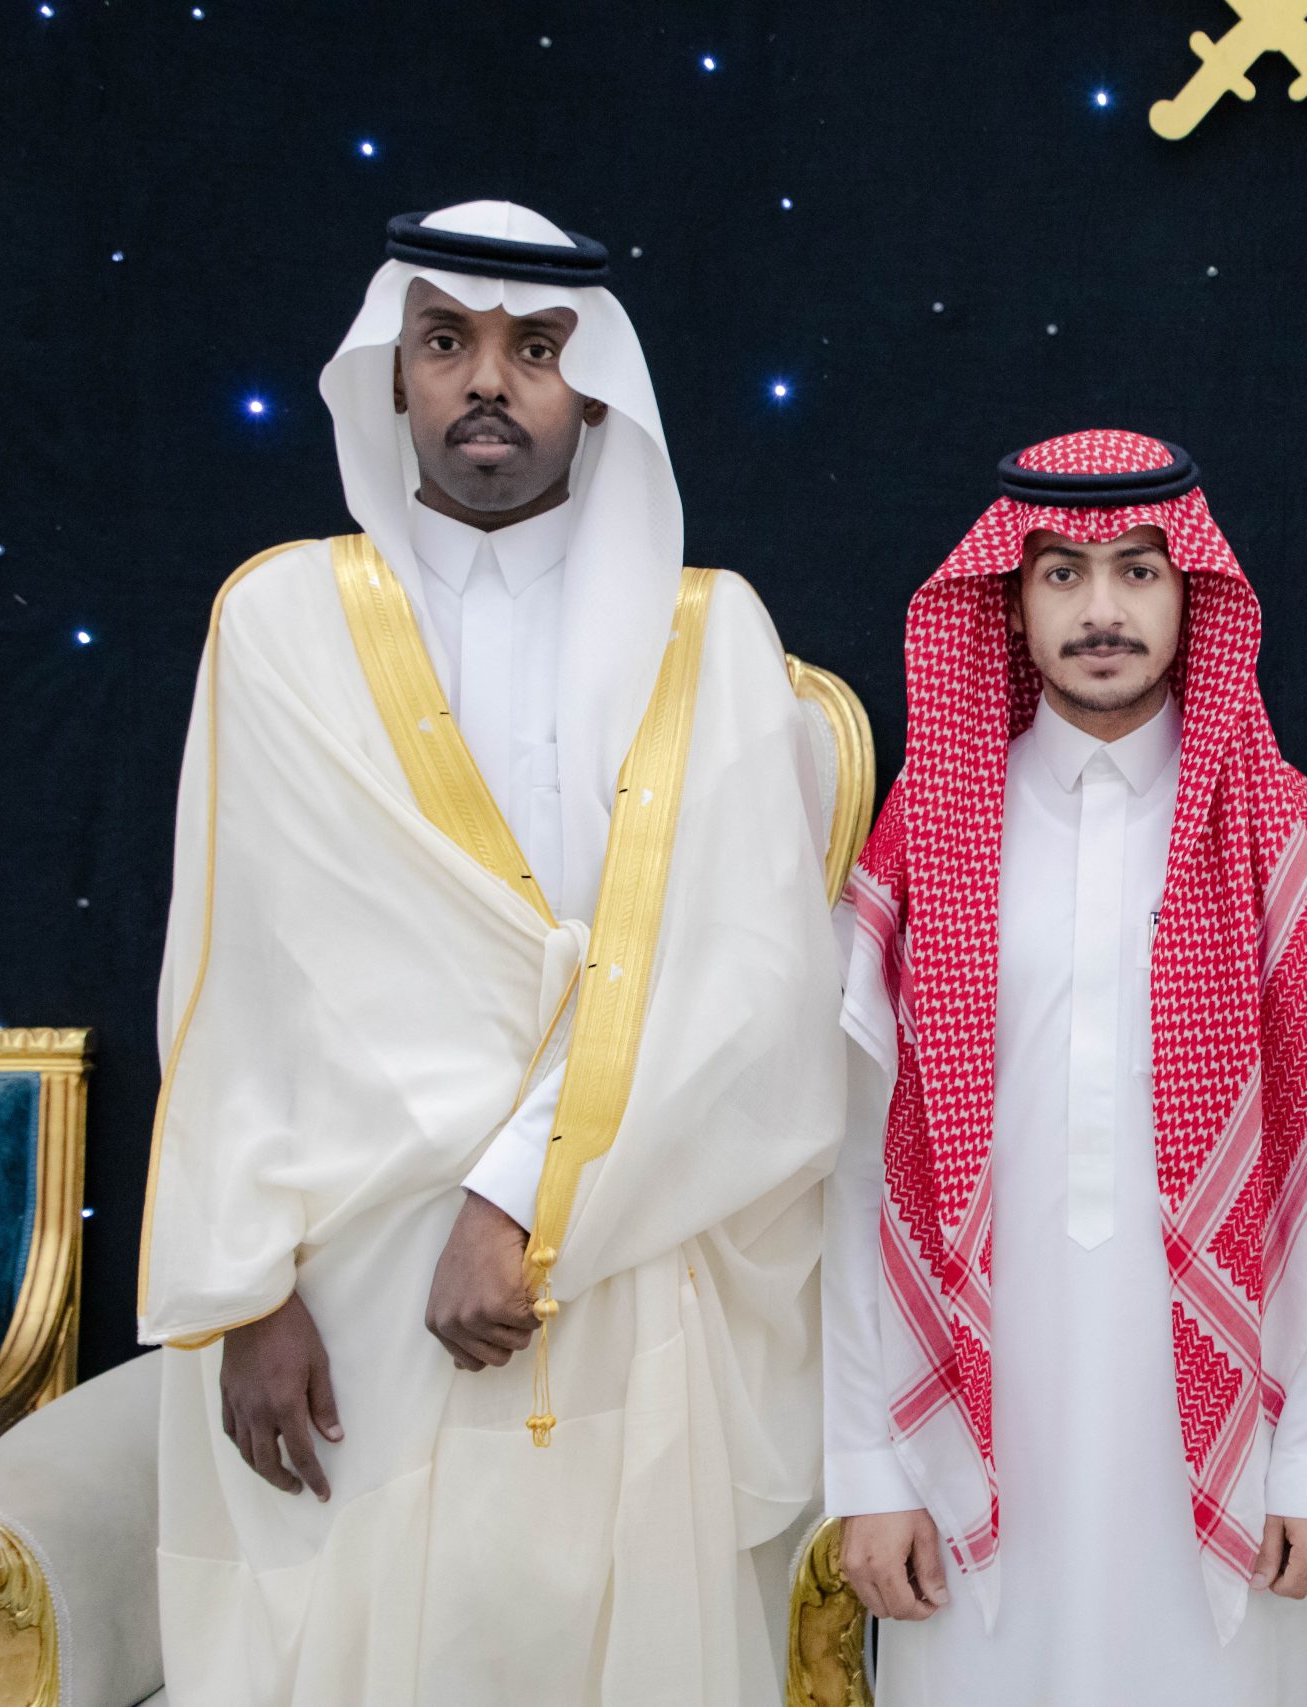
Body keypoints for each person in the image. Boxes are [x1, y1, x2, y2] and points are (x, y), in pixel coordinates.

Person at [137, 201, 846, 1705]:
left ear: (596, 391)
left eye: (536, 349)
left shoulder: (708, 636)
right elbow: (227, 978)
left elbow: (745, 978)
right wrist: (244, 1293)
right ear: (389, 374)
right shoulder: (277, 621)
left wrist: (522, 1197)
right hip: (341, 1284)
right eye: (446, 341)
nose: (486, 382)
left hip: (617, 1239)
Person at [825, 430, 1307, 1705]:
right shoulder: (924, 838)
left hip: (1230, 1433)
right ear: (1009, 602)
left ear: (1192, 593)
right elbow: (860, 1176)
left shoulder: (1284, 838)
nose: (1102, 610)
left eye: (1139, 570)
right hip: (973, 1425)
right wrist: (871, 1468)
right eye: (1063, 573)